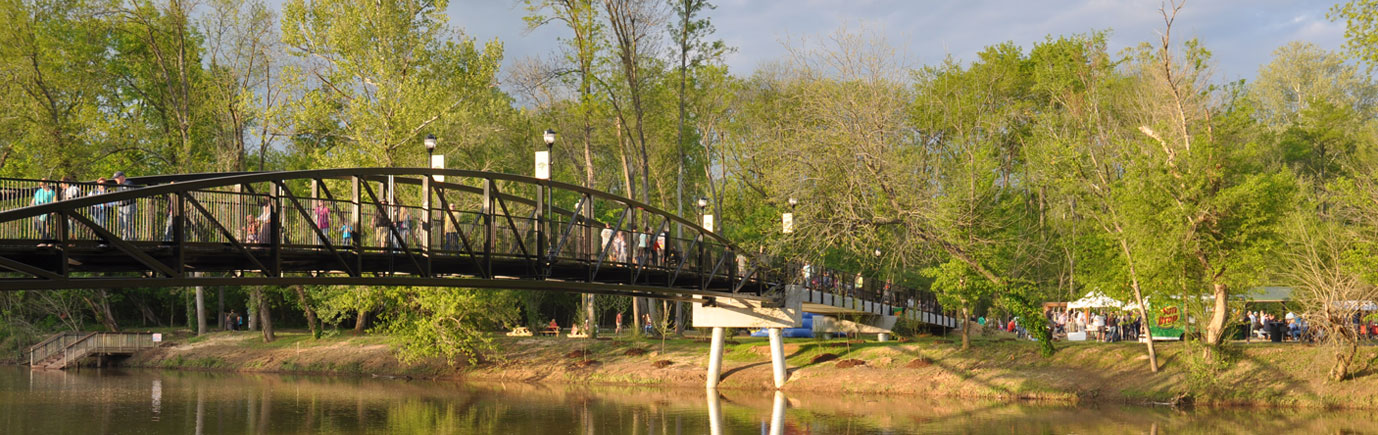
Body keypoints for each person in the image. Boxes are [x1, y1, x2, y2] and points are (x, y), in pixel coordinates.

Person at [113, 172, 137, 240]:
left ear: (121, 177)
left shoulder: (129, 183)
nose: (115, 180)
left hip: (129, 205)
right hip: (121, 207)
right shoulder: (119, 186)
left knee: (129, 223)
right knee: (122, 223)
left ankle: (132, 239)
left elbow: (131, 195)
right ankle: (125, 238)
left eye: (116, 178)